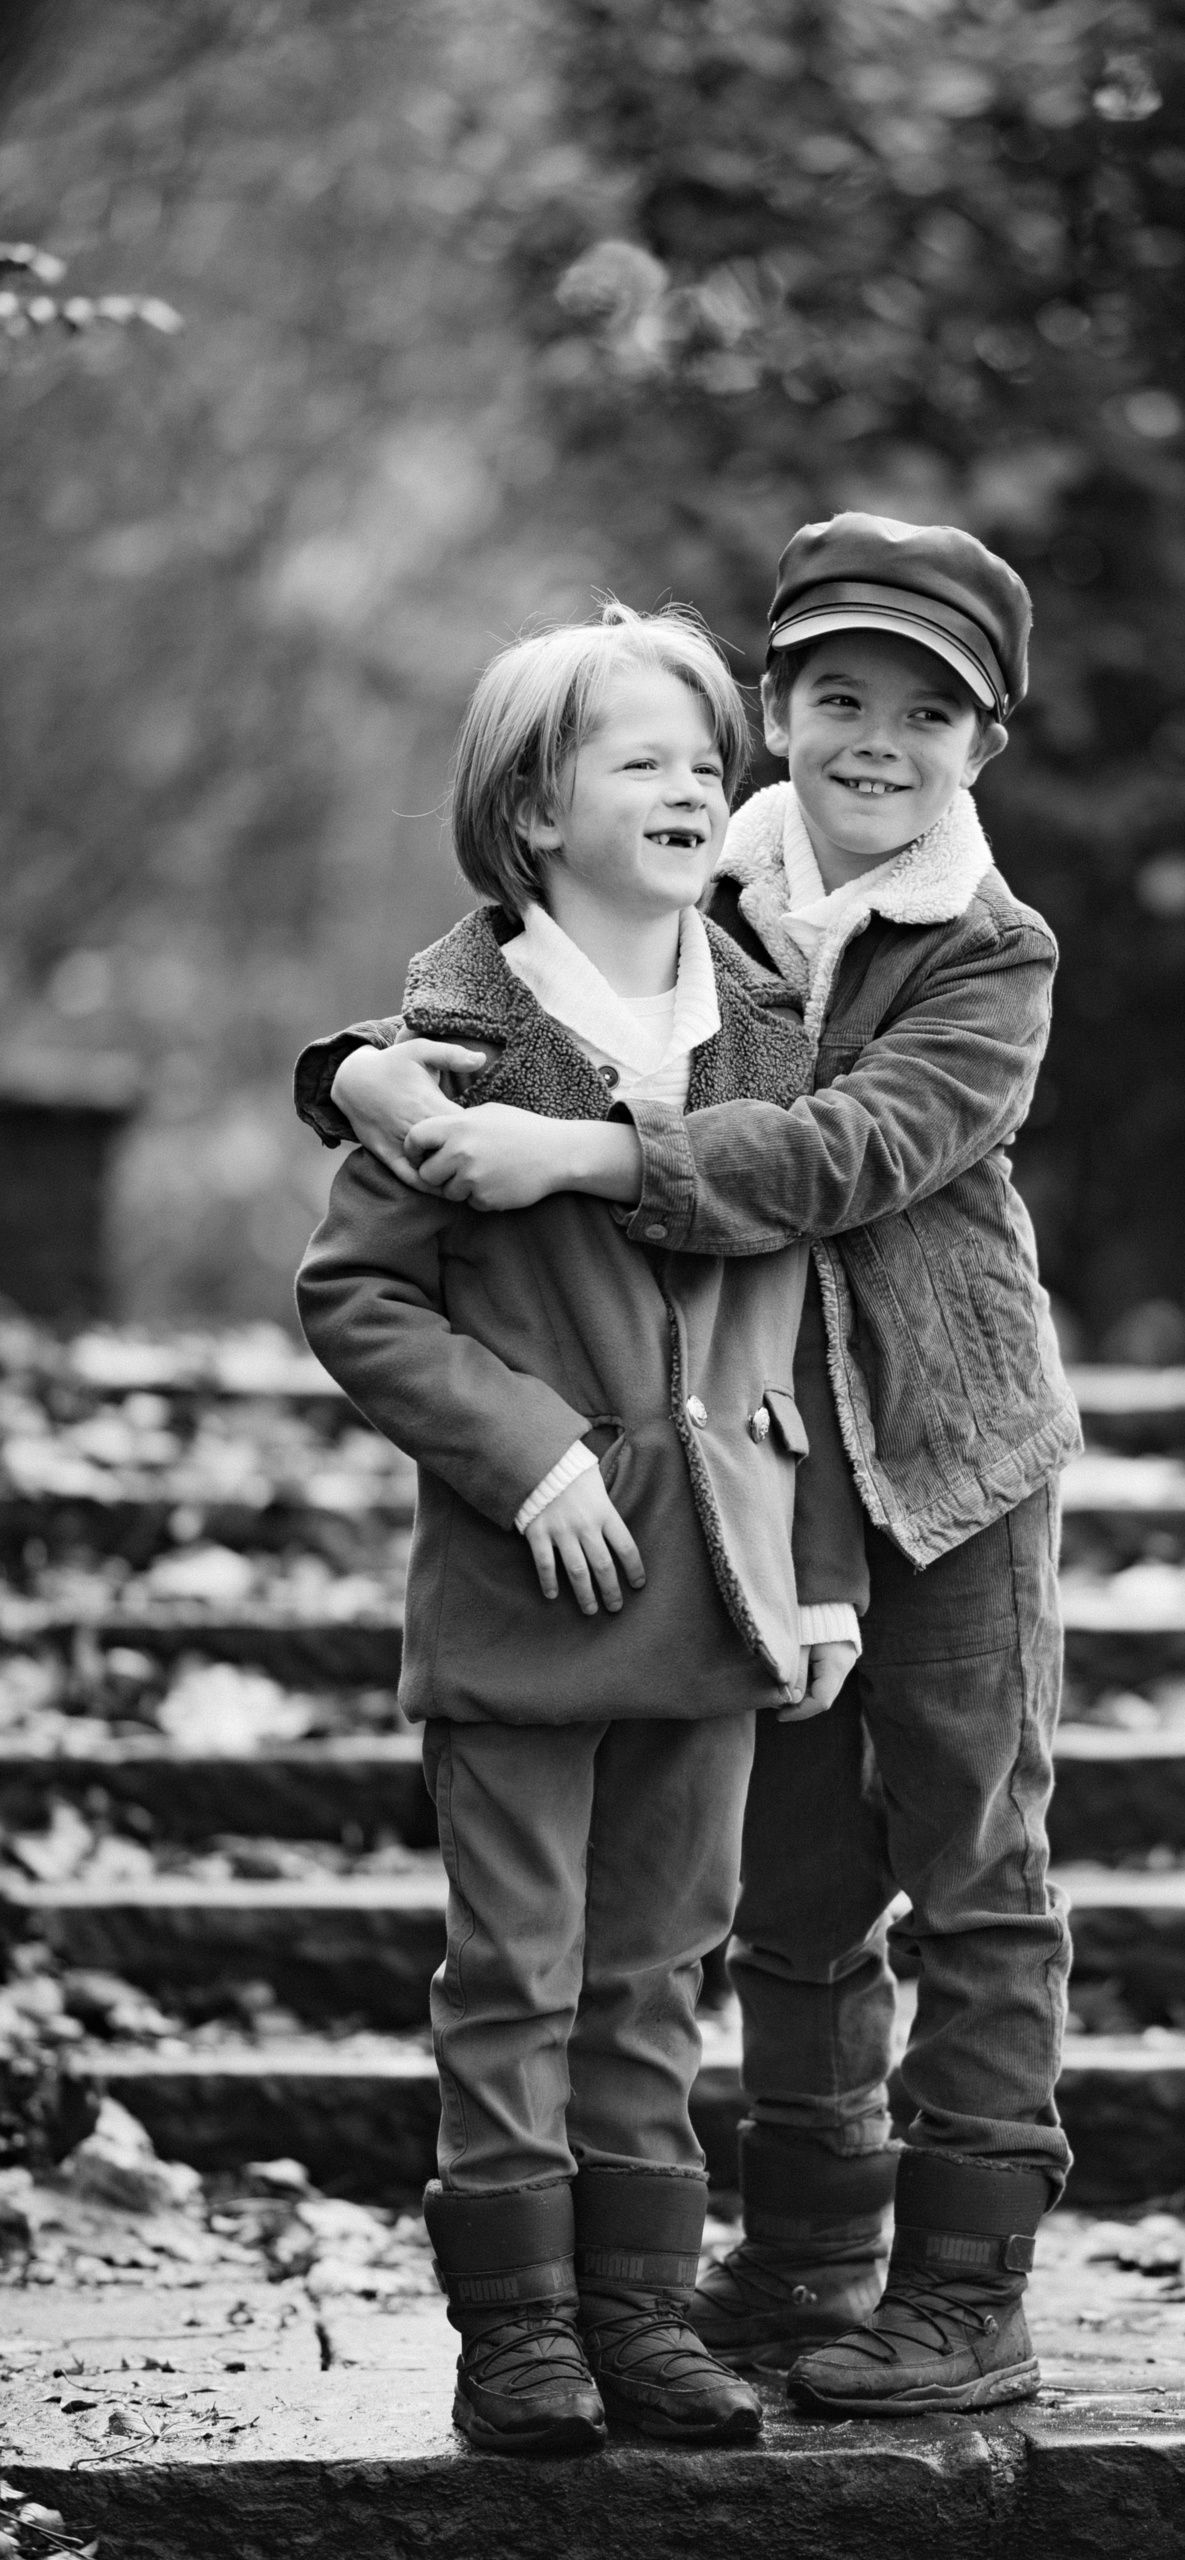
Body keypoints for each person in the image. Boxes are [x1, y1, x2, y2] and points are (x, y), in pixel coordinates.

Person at [297, 515, 1081, 2419]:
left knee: (970, 1859)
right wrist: (357, 1074)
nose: (871, 741)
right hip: (728, 1498)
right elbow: (492, 990)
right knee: (786, 1891)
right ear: (777, 712)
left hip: (941, 1444)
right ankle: (801, 2262)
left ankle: (967, 2284)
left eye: (924, 711)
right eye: (831, 700)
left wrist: (578, 1161)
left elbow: (829, 1159)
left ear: (981, 740)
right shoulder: (708, 900)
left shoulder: (988, 950)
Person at [294, 603, 866, 2457]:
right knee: (514, 1974)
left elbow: (803, 1333)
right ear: (535, 810)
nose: (696, 785)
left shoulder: (766, 1029)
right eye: (642, 760)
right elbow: (362, 1298)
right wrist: (528, 1454)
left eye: (709, 760)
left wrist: (821, 1569)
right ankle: (518, 2331)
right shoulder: (448, 1036)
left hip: (715, 1587)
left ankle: (638, 2313)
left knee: (653, 1975)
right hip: (531, 1583)